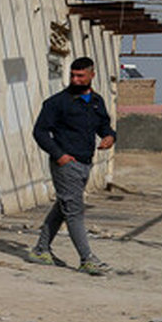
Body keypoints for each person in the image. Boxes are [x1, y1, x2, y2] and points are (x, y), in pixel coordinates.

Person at [30, 56, 117, 275]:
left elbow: (104, 125)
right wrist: (59, 155)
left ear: (91, 75)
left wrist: (109, 136)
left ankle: (41, 249)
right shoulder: (57, 102)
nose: (76, 79)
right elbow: (40, 131)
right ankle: (87, 259)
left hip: (85, 164)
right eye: (72, 75)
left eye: (80, 76)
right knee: (75, 211)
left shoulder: (96, 102)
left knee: (64, 206)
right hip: (66, 164)